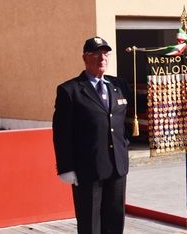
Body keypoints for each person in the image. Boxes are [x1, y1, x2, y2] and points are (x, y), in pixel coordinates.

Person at [52, 36, 130, 234]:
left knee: (114, 221)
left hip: (117, 167)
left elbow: (126, 122)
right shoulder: (69, 90)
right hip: (87, 170)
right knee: (90, 224)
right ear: (85, 58)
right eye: (96, 53)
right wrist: (66, 168)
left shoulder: (119, 85)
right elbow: (62, 133)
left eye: (105, 53)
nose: (101, 58)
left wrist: (124, 147)